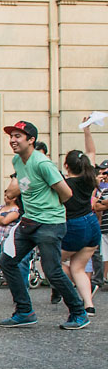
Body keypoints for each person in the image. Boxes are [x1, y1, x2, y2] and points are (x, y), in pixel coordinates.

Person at [0, 121, 87, 330]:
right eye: (11, 136)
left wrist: (48, 208)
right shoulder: (17, 161)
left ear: (31, 140)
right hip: (29, 221)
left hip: (50, 223)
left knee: (52, 270)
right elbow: (25, 185)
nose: (13, 140)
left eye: (18, 136)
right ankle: (24, 312)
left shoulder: (43, 163)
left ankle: (79, 312)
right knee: (7, 261)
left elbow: (67, 193)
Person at [58, 120, 99, 316]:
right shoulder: (89, 177)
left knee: (53, 263)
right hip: (92, 224)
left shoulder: (64, 184)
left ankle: (74, 294)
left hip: (75, 226)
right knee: (78, 267)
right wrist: (87, 131)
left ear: (66, 165)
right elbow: (91, 152)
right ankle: (88, 304)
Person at [0, 190, 20, 278]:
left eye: (8, 196)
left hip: (7, 237)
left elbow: (5, 221)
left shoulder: (16, 209)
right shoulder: (1, 207)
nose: (5, 198)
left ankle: (8, 275)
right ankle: (2, 273)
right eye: (5, 196)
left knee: (6, 257)